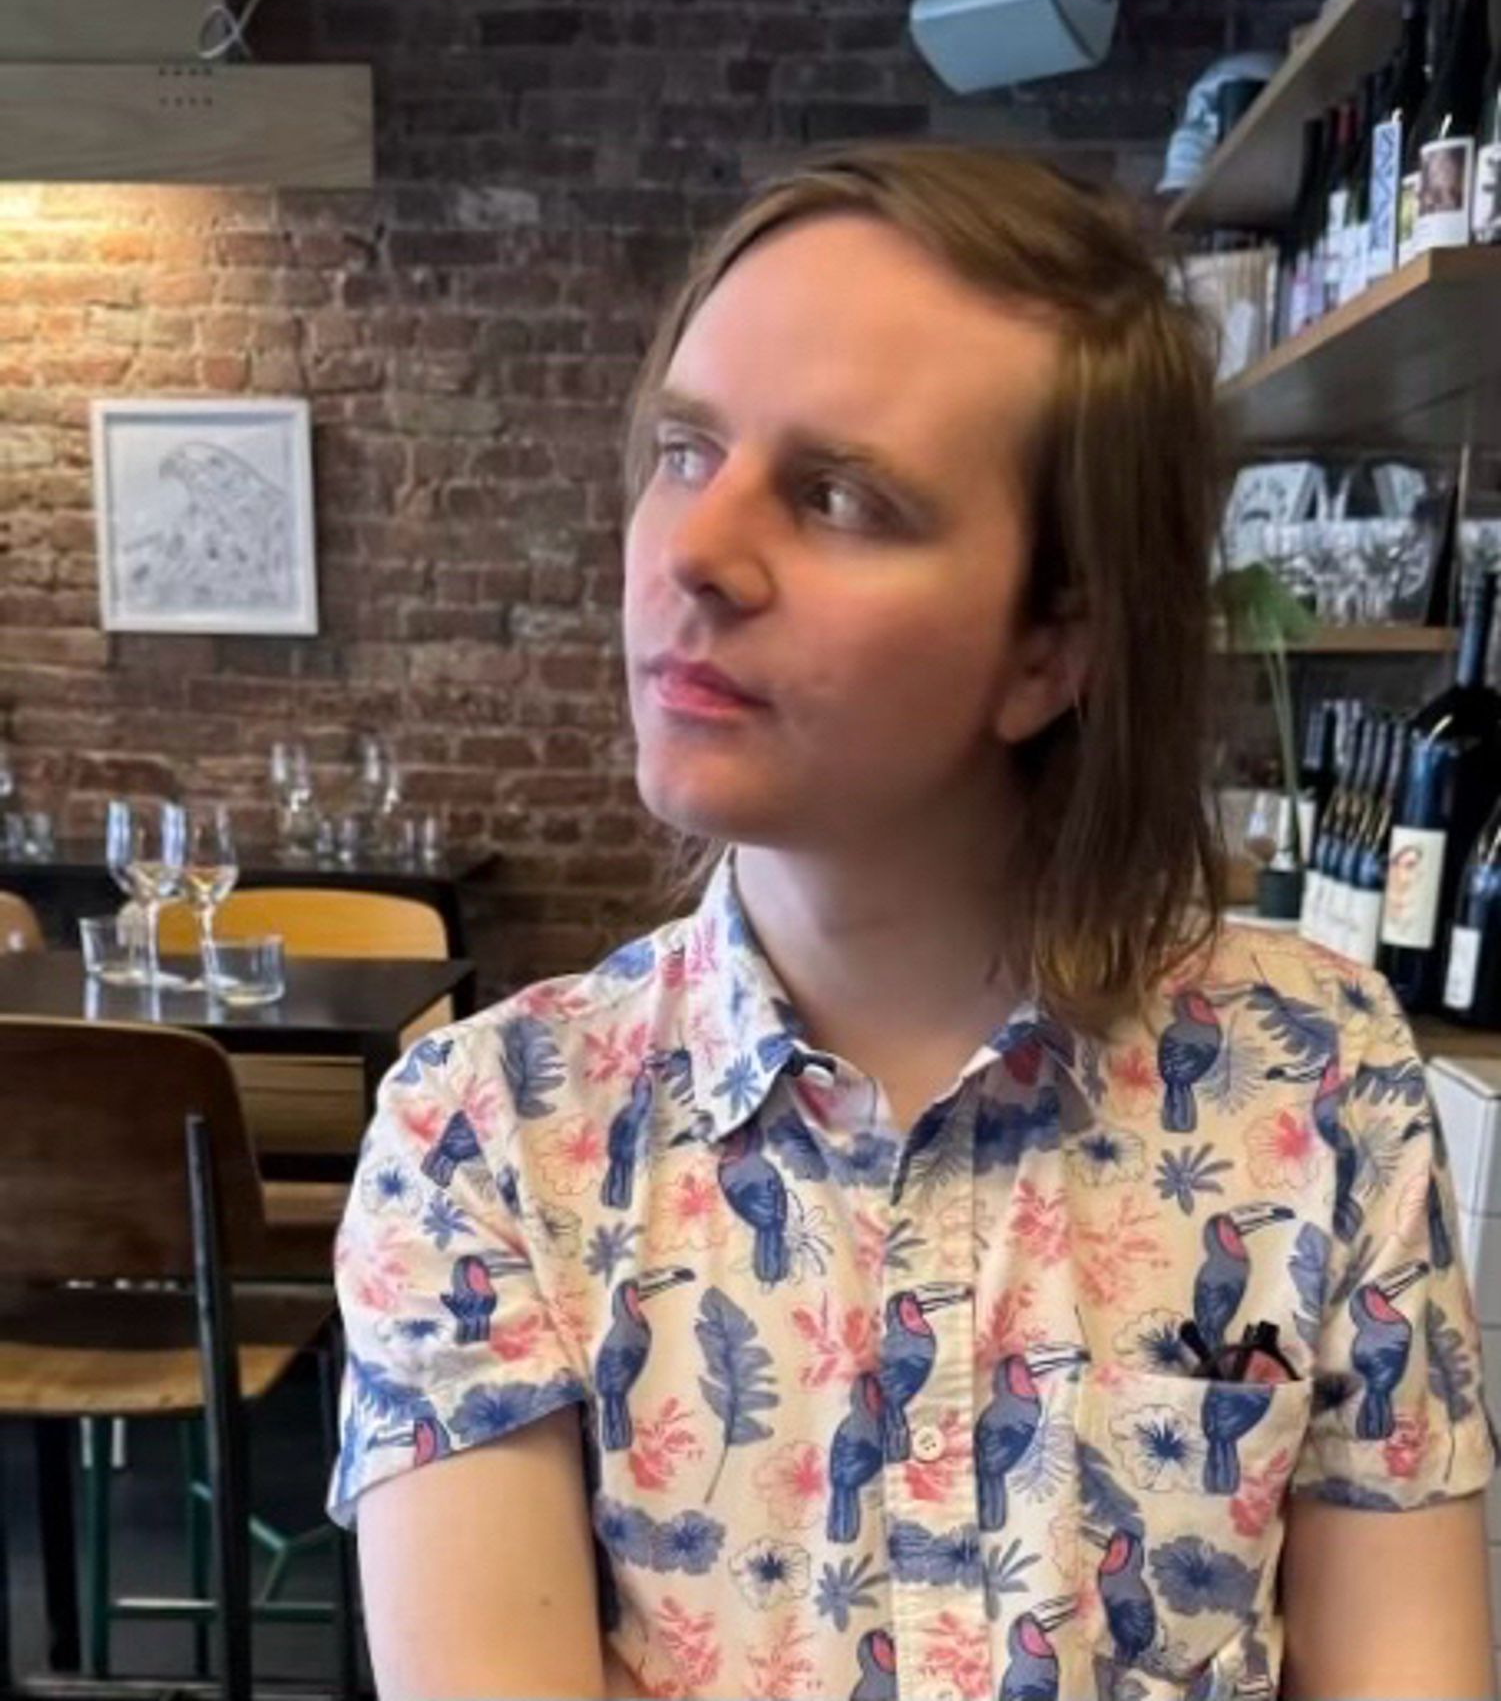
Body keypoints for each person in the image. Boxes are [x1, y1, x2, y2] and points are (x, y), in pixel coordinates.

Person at [330, 144, 1497, 1700]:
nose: (691, 552)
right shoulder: (490, 1142)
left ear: (1049, 651)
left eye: (836, 495)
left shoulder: (1316, 1083)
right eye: (684, 449)